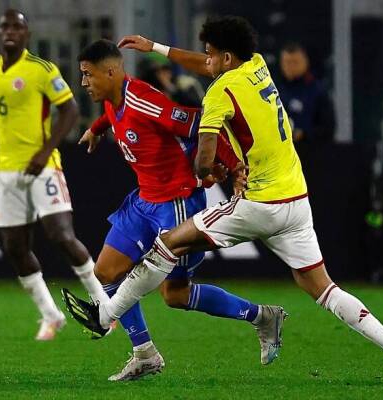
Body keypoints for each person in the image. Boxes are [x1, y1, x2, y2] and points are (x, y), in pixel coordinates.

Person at [63, 17, 383, 384]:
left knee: (168, 244)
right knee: (325, 290)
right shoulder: (259, 67)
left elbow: (203, 158)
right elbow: (203, 69)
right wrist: (157, 49)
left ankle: (106, 314)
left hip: (256, 204)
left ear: (226, 59)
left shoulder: (218, 95)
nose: (204, 61)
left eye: (210, 54)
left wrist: (215, 170)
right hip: (296, 201)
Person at [61, 39, 287, 381]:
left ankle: (261, 316)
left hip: (177, 203)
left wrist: (233, 166)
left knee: (175, 295)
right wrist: (97, 128)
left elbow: (198, 123)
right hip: (144, 201)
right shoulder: (112, 99)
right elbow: (113, 115)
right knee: (105, 272)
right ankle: (145, 353)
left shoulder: (143, 100)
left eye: (88, 75)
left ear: (112, 71)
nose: (84, 83)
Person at [0, 9, 106, 341]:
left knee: (61, 236)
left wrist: (44, 153)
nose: (10, 31)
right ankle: (50, 315)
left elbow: (70, 110)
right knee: (15, 247)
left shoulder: (42, 70)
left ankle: (104, 303)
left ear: (27, 34)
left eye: (17, 26)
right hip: (5, 172)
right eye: (5, 26)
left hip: (44, 168)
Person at [278, 42, 335, 144]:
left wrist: (304, 134)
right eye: (287, 62)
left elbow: (328, 128)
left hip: (310, 152)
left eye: (295, 62)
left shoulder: (317, 91)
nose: (290, 66)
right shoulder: (273, 89)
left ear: (305, 62)